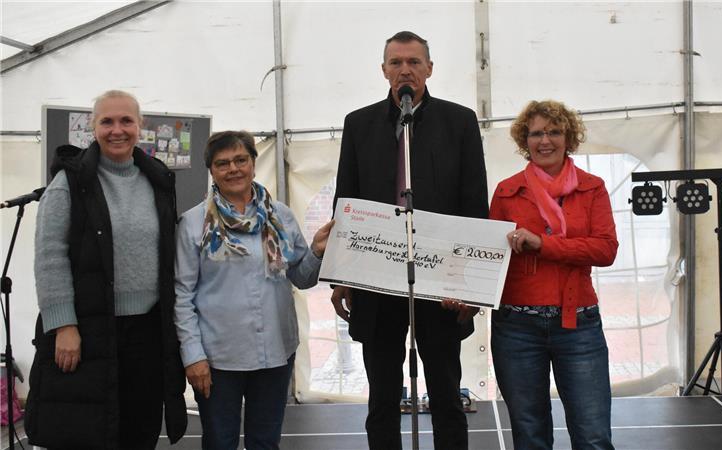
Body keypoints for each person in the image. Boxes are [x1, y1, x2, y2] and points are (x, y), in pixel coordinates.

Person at [330, 31, 488, 450]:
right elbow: (345, 201)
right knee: (382, 396)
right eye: (396, 62)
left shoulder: (460, 121)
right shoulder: (358, 124)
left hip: (441, 283)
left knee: (445, 393)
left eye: (414, 62)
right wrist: (341, 276)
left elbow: (475, 205)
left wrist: (469, 284)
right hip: (377, 278)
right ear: (384, 70)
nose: (405, 70)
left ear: (430, 68)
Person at [25, 90, 187, 449]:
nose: (118, 130)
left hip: (146, 332)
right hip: (86, 329)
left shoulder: (157, 180)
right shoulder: (68, 183)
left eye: (126, 121)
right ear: (92, 129)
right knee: (85, 435)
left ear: (140, 126)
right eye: (107, 121)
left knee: (138, 431)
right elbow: (50, 256)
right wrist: (63, 325)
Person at [174, 130, 334, 450]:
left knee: (265, 443)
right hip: (219, 359)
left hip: (275, 353)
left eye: (240, 160)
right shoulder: (193, 224)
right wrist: (193, 357)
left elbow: (302, 278)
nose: (233, 168)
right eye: (222, 163)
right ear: (211, 170)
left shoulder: (281, 217)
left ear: (253, 163)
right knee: (220, 443)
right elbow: (182, 296)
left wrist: (316, 251)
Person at [489, 100, 618, 449]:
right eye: (536, 133)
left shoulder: (592, 188)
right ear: (524, 141)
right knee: (530, 438)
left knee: (593, 437)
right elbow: (488, 258)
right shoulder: (506, 191)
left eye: (554, 131)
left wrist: (543, 245)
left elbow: (605, 250)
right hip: (516, 327)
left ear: (569, 137)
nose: (545, 140)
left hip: (578, 325)